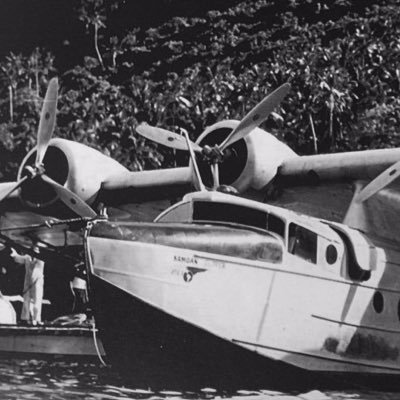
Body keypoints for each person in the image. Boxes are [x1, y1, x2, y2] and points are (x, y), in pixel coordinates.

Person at [10, 243, 45, 325]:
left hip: (37, 283)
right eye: (33, 249)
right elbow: (18, 258)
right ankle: (25, 318)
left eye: (36, 249)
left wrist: (31, 283)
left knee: (37, 301)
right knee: (26, 301)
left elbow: (36, 272)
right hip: (28, 282)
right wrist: (14, 254)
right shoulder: (27, 257)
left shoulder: (41, 259)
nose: (35, 250)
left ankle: (37, 319)